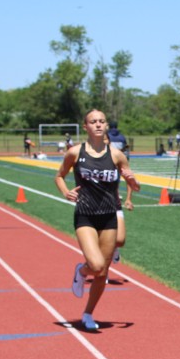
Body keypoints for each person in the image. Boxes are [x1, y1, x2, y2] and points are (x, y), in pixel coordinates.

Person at [54, 109, 140, 331]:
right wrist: (65, 192)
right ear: (86, 127)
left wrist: (133, 183)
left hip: (109, 216)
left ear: (106, 126)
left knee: (102, 273)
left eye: (102, 121)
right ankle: (82, 271)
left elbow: (133, 183)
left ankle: (88, 313)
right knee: (96, 264)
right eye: (94, 122)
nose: (99, 125)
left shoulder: (117, 155)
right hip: (85, 214)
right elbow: (59, 176)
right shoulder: (75, 152)